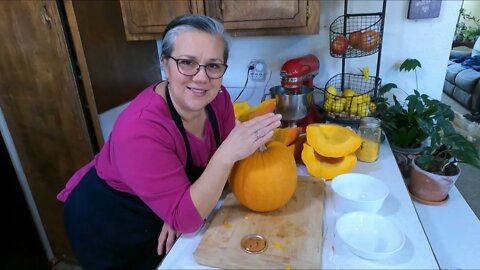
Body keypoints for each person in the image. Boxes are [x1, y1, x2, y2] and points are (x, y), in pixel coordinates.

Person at [56, 14, 281, 270]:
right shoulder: (139, 129)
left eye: (214, 66)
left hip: (160, 209)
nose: (201, 78)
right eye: (187, 62)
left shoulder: (219, 99)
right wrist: (181, 209)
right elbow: (197, 203)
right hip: (110, 221)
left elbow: (200, 191)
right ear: (165, 64)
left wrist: (179, 205)